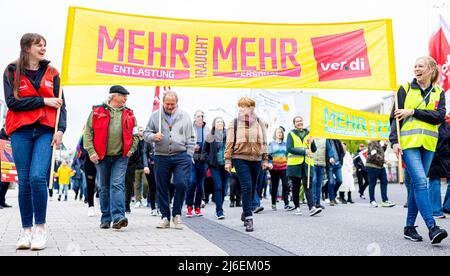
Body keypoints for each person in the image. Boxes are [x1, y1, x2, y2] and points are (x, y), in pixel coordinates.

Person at [4, 33, 66, 250]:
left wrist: (61, 130)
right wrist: (43, 101)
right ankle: (26, 230)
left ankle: (40, 228)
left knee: (37, 177)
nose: (43, 48)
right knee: (24, 180)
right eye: (39, 45)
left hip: (45, 131)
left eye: (45, 45)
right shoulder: (11, 71)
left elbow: (61, 104)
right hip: (20, 131)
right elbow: (13, 103)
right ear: (27, 47)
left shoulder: (53, 72)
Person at [390, 56, 447, 244]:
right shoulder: (404, 89)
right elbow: (394, 118)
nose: (416, 69)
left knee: (416, 185)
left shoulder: (439, 91)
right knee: (421, 182)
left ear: (431, 69)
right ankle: (432, 227)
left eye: (420, 66)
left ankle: (409, 227)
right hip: (408, 143)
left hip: (429, 145)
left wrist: (412, 111)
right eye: (414, 66)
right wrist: (394, 141)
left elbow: (439, 117)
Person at [83, 85, 138, 230]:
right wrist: (91, 151)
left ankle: (119, 217)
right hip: (101, 156)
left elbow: (135, 134)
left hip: (121, 156)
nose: (126, 98)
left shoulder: (130, 113)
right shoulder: (97, 111)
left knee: (117, 185)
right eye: (123, 95)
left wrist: (132, 149)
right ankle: (105, 217)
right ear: (114, 96)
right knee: (104, 187)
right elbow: (88, 133)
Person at [144, 90, 195, 230]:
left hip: (181, 155)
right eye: (167, 104)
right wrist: (153, 137)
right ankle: (165, 217)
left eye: (173, 104)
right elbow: (145, 133)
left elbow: (191, 137)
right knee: (162, 187)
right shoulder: (155, 116)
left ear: (177, 103)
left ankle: (177, 214)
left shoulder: (185, 116)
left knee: (181, 183)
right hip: (161, 155)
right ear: (162, 102)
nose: (170, 107)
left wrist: (189, 155)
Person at [224, 97, 269, 232]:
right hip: (240, 157)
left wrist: (266, 159)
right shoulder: (235, 123)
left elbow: (264, 142)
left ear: (251, 108)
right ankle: (249, 217)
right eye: (240, 106)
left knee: (253, 187)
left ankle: (245, 210)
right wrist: (227, 160)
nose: (242, 109)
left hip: (256, 159)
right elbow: (229, 142)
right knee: (247, 186)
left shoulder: (260, 122)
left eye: (244, 106)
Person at [286, 116, 322, 217]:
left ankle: (312, 207)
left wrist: (312, 141)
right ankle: (297, 207)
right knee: (296, 187)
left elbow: (313, 149)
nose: (299, 122)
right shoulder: (291, 134)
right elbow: (289, 148)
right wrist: (304, 151)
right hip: (295, 164)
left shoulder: (309, 134)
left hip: (307, 164)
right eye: (297, 121)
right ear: (294, 124)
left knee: (308, 185)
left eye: (301, 121)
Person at [203, 117, 229, 219]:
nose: (220, 123)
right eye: (218, 122)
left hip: (226, 165)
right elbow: (204, 152)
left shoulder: (229, 135)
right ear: (214, 124)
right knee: (218, 187)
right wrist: (209, 161)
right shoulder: (210, 136)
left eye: (221, 122)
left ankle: (220, 207)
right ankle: (219, 211)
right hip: (215, 166)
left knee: (223, 188)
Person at [186, 110, 209, 217]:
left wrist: (207, 157)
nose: (200, 117)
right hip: (192, 160)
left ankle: (198, 207)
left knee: (200, 185)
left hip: (203, 161)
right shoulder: (189, 129)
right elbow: (184, 142)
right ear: (194, 117)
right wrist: (192, 147)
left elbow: (211, 146)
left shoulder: (208, 130)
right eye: (198, 116)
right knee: (191, 182)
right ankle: (189, 206)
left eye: (202, 116)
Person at [427, 117, 450, 219]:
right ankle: (436, 211)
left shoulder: (445, 124)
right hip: (433, 155)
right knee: (434, 181)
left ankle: (447, 206)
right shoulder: (428, 120)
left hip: (445, 156)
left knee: (435, 182)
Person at [365, 140, 395, 208]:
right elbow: (374, 155)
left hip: (380, 166)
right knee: (372, 183)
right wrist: (385, 161)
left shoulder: (379, 143)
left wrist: (385, 145)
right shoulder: (372, 142)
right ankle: (372, 201)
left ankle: (385, 200)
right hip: (372, 165)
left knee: (384, 181)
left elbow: (381, 153)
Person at [268, 127, 290, 211]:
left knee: (285, 185)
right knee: (275, 186)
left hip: (284, 167)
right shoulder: (271, 144)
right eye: (278, 132)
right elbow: (269, 155)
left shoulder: (285, 144)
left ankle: (286, 204)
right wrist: (269, 163)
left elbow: (288, 155)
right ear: (275, 134)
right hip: (274, 168)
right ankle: (273, 203)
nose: (279, 134)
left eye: (281, 132)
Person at [132, 126, 149, 209]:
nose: (141, 132)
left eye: (143, 131)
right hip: (136, 166)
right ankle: (138, 201)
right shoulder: (135, 141)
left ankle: (145, 197)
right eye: (140, 130)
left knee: (146, 184)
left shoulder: (146, 141)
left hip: (144, 166)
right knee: (137, 185)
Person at [326, 139, 344, 206]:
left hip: (338, 164)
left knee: (340, 180)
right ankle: (332, 200)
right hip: (330, 165)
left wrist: (340, 160)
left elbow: (342, 152)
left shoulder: (337, 140)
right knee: (331, 182)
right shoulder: (326, 141)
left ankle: (333, 194)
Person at [143, 138, 159, 216]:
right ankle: (153, 208)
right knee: (152, 187)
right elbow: (144, 152)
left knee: (161, 187)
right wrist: (145, 165)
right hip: (150, 166)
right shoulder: (148, 138)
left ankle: (160, 207)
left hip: (161, 166)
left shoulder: (163, 134)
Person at [312, 137, 327, 209]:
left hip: (322, 164)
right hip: (312, 163)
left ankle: (318, 202)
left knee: (319, 184)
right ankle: (313, 202)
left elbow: (329, 150)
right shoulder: (311, 138)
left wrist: (331, 157)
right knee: (314, 181)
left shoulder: (324, 139)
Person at [0, 127, 12, 209]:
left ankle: (2, 201)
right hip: (0, 163)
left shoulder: (9, 138)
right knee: (1, 183)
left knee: (6, 183)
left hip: (7, 163)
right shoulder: (0, 136)